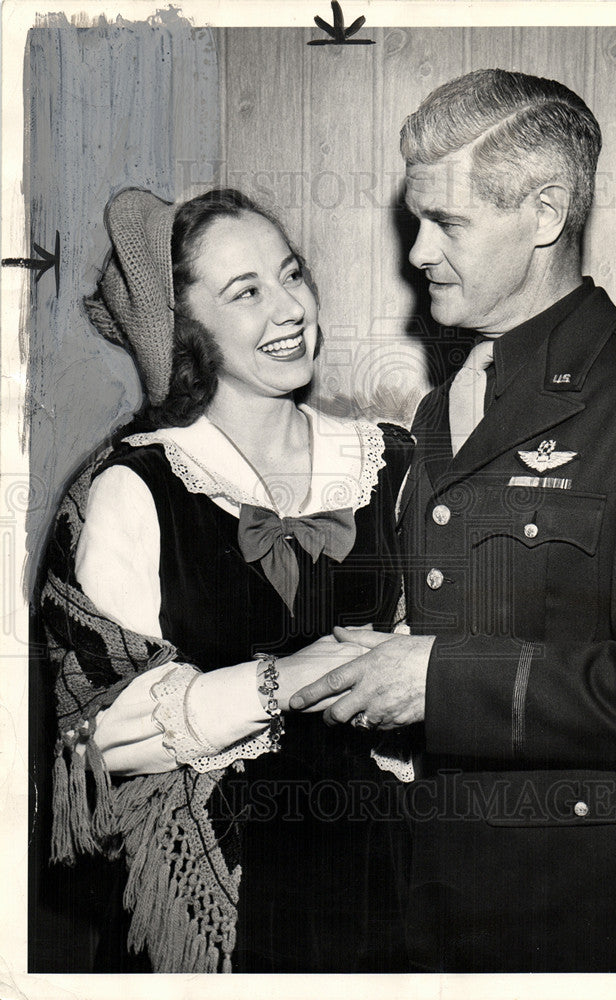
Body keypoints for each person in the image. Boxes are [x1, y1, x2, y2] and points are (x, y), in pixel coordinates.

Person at [290, 69, 616, 971]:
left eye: (450, 224)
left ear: (545, 214)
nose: (419, 254)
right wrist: (385, 661)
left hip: (587, 916)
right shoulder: (450, 401)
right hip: (432, 898)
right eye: (415, 220)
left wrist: (439, 679)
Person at [40, 187, 413, 973]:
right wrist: (287, 680)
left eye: (291, 275)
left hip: (381, 876)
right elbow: (98, 734)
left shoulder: (391, 461)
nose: (290, 310)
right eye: (245, 293)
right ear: (185, 329)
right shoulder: (133, 486)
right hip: (214, 892)